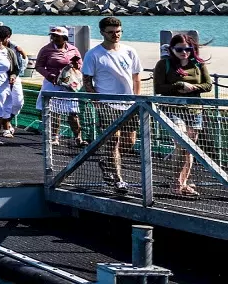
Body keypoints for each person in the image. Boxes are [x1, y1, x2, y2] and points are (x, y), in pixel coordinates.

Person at [82, 16, 143, 192]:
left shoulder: (130, 51)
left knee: (129, 141)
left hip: (129, 103)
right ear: (102, 33)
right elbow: (87, 81)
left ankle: (107, 162)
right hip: (107, 104)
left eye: (118, 32)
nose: (115, 35)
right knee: (112, 140)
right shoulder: (93, 54)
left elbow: (136, 77)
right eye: (111, 32)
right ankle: (118, 179)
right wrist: (97, 102)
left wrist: (136, 98)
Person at [152, 33, 211, 197]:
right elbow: (159, 88)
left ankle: (183, 183)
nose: (184, 52)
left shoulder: (198, 64)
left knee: (189, 149)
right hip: (173, 109)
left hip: (194, 110)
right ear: (172, 49)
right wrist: (178, 85)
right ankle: (177, 183)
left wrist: (193, 88)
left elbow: (208, 85)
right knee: (181, 142)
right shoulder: (164, 64)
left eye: (188, 49)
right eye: (180, 49)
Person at [35, 26, 84, 146]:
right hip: (53, 83)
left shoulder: (73, 49)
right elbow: (39, 66)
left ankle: (78, 137)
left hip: (69, 84)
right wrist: (49, 75)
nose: (54, 38)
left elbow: (80, 64)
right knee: (54, 112)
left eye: (57, 36)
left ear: (65, 37)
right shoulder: (46, 49)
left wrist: (76, 66)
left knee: (73, 112)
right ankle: (54, 137)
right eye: (53, 35)